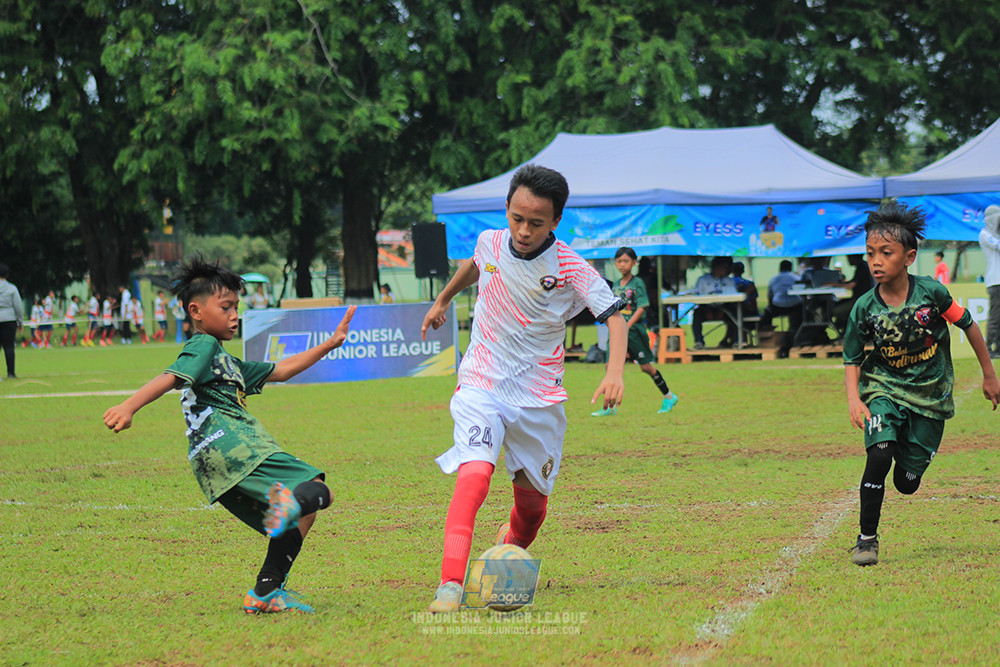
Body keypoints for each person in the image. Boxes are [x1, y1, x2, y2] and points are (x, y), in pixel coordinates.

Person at [419, 164, 627, 613]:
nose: (523, 230)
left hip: (539, 396)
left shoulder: (571, 266)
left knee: (532, 511)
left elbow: (613, 315)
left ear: (555, 221)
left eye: (536, 222)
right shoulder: (491, 240)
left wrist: (614, 372)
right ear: (507, 209)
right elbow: (476, 265)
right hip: (482, 382)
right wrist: (443, 299)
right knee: (474, 476)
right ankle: (450, 587)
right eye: (517, 218)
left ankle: (508, 547)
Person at [103, 256, 357, 613]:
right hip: (236, 445)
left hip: (210, 464)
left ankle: (266, 591)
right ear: (196, 311)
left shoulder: (227, 362)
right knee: (318, 490)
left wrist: (330, 344)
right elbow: (172, 377)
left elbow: (281, 370)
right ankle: (288, 509)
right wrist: (129, 406)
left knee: (302, 515)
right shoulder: (203, 345)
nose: (235, 314)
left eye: (237, 306)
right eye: (226, 307)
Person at [843, 202, 999, 567]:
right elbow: (851, 358)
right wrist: (854, 399)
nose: (876, 261)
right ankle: (866, 540)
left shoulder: (932, 294)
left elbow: (969, 325)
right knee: (879, 453)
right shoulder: (864, 308)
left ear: (909, 257)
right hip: (883, 388)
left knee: (907, 483)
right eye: (870, 253)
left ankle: (906, 447)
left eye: (886, 252)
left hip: (931, 394)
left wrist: (989, 375)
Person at [591, 247, 678, 417]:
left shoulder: (638, 283)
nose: (622, 265)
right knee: (610, 366)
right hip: (616, 333)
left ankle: (669, 396)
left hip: (634, 332)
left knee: (646, 367)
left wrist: (627, 325)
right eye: (619, 261)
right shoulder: (615, 285)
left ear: (634, 263)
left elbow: (642, 306)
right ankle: (609, 407)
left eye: (626, 261)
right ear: (615, 263)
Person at [689, 256, 738, 350]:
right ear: (717, 268)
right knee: (697, 313)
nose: (727, 270)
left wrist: (722, 309)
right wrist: (707, 308)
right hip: (706, 307)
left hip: (724, 307)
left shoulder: (729, 280)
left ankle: (736, 341)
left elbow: (733, 296)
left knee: (735, 312)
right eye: (725, 267)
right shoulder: (703, 280)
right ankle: (699, 342)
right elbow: (698, 295)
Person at [759, 260, 803, 358]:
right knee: (801, 313)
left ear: (780, 268)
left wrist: (771, 308)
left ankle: (764, 335)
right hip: (794, 305)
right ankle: (798, 333)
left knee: (767, 313)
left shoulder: (773, 279)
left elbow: (770, 297)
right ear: (790, 268)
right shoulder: (796, 277)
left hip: (777, 305)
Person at [832, 254, 874, 334]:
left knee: (835, 311)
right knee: (838, 305)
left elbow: (852, 285)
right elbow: (853, 282)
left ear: (854, 257)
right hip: (860, 300)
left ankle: (845, 333)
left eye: (848, 258)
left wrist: (833, 284)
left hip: (860, 302)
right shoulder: (863, 265)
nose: (848, 260)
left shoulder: (861, 267)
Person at [980, 205, 1000, 358]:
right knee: (995, 315)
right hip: (995, 280)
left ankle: (998, 347)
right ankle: (989, 348)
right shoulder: (985, 234)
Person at [0, 263, 23, 379]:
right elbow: (18, 307)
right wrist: (20, 321)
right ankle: (11, 373)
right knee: (9, 347)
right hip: (9, 320)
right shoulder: (12, 288)